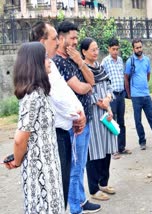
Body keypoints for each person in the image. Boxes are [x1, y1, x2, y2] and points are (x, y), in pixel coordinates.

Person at [29, 21, 86, 209]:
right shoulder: (37, 68)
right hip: (53, 135)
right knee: (56, 188)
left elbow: (66, 93)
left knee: (62, 186)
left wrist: (80, 113)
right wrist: (77, 115)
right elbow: (57, 98)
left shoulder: (50, 63)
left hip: (63, 132)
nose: (57, 42)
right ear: (41, 41)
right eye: (54, 39)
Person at [4, 42, 64, 213]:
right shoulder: (33, 97)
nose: (49, 61)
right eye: (45, 57)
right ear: (35, 63)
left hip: (49, 170)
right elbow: (20, 138)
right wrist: (16, 160)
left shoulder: (40, 93)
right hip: (40, 175)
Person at [53, 21, 101, 214]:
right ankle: (75, 208)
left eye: (76, 38)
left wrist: (81, 63)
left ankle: (81, 200)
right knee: (75, 167)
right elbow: (82, 87)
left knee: (80, 165)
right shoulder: (58, 62)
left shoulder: (73, 59)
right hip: (74, 124)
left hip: (86, 119)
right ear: (61, 38)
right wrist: (88, 86)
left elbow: (92, 80)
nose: (74, 42)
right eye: (72, 38)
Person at [80, 37, 118, 201]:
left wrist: (108, 98)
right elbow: (84, 91)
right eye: (92, 50)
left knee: (107, 149)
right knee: (94, 151)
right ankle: (94, 189)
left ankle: (104, 182)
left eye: (97, 49)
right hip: (93, 115)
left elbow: (109, 85)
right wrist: (99, 102)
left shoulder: (100, 68)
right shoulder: (82, 70)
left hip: (106, 112)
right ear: (84, 52)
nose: (96, 52)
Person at [124, 38, 152, 150]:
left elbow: (148, 75)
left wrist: (144, 85)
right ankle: (142, 142)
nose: (139, 49)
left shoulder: (146, 60)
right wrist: (129, 94)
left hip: (146, 95)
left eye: (140, 47)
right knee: (138, 120)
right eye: (137, 47)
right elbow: (126, 78)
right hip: (135, 96)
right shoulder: (130, 61)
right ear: (133, 48)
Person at [101, 38, 131, 155]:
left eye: (117, 49)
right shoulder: (105, 62)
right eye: (113, 49)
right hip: (111, 96)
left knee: (121, 122)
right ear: (109, 49)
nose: (115, 51)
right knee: (111, 121)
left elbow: (123, 76)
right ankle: (112, 149)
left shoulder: (119, 61)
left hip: (120, 95)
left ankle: (121, 147)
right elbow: (103, 80)